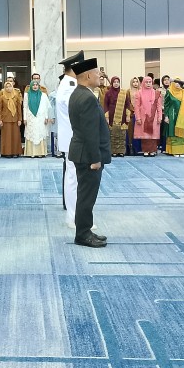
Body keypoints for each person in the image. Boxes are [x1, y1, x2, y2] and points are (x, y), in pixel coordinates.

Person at [67, 58, 111, 248]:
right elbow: (89, 132)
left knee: (85, 195)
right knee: (86, 196)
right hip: (88, 155)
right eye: (97, 73)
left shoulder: (80, 93)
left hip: (83, 152)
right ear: (87, 76)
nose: (100, 75)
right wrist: (95, 159)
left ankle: (85, 230)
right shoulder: (86, 97)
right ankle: (83, 234)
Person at [56, 50, 84, 228]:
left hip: (73, 139)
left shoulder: (70, 84)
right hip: (74, 139)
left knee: (75, 177)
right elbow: (77, 113)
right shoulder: (69, 87)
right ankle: (73, 217)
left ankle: (77, 216)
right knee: (73, 178)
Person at [133, 75, 162, 156]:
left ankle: (153, 150)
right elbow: (136, 107)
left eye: (150, 82)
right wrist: (138, 118)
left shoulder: (156, 93)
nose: (148, 84)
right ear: (143, 83)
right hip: (143, 117)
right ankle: (146, 150)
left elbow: (159, 106)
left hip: (154, 117)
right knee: (145, 135)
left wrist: (160, 117)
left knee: (153, 134)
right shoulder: (139, 93)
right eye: (146, 82)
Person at [102, 76, 131, 157]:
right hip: (111, 116)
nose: (116, 84)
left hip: (122, 116)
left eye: (117, 82)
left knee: (122, 135)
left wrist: (128, 116)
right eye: (114, 82)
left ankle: (121, 151)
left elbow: (127, 105)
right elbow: (105, 105)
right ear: (112, 83)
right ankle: (113, 151)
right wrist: (107, 117)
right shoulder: (108, 93)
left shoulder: (123, 93)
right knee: (113, 135)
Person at [164, 81, 184, 157]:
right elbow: (166, 105)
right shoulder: (169, 92)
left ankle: (183, 151)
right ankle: (175, 151)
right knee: (173, 132)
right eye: (175, 83)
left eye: (179, 83)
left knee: (183, 132)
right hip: (173, 116)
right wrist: (166, 116)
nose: (177, 85)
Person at [23, 78, 52, 157]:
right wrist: (25, 118)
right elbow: (25, 107)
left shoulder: (43, 95)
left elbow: (46, 107)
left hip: (40, 118)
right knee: (31, 133)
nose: (35, 86)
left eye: (36, 85)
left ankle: (41, 153)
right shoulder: (27, 95)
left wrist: (46, 117)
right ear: (31, 86)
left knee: (40, 133)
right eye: (33, 85)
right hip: (30, 118)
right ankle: (31, 153)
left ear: (38, 86)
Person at [0, 79, 22, 157]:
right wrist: (0, 119)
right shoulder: (2, 97)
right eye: (7, 87)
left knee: (15, 136)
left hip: (15, 119)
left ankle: (15, 152)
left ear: (12, 87)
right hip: (5, 119)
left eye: (10, 86)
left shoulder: (16, 96)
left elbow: (19, 109)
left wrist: (20, 119)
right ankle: (7, 153)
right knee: (7, 137)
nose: (8, 88)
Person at [126, 77, 141, 155]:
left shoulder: (141, 91)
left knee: (139, 131)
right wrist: (132, 110)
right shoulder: (128, 91)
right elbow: (127, 103)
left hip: (140, 114)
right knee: (130, 131)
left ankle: (138, 149)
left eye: (136, 82)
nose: (135, 83)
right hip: (131, 113)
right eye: (134, 82)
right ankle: (130, 147)